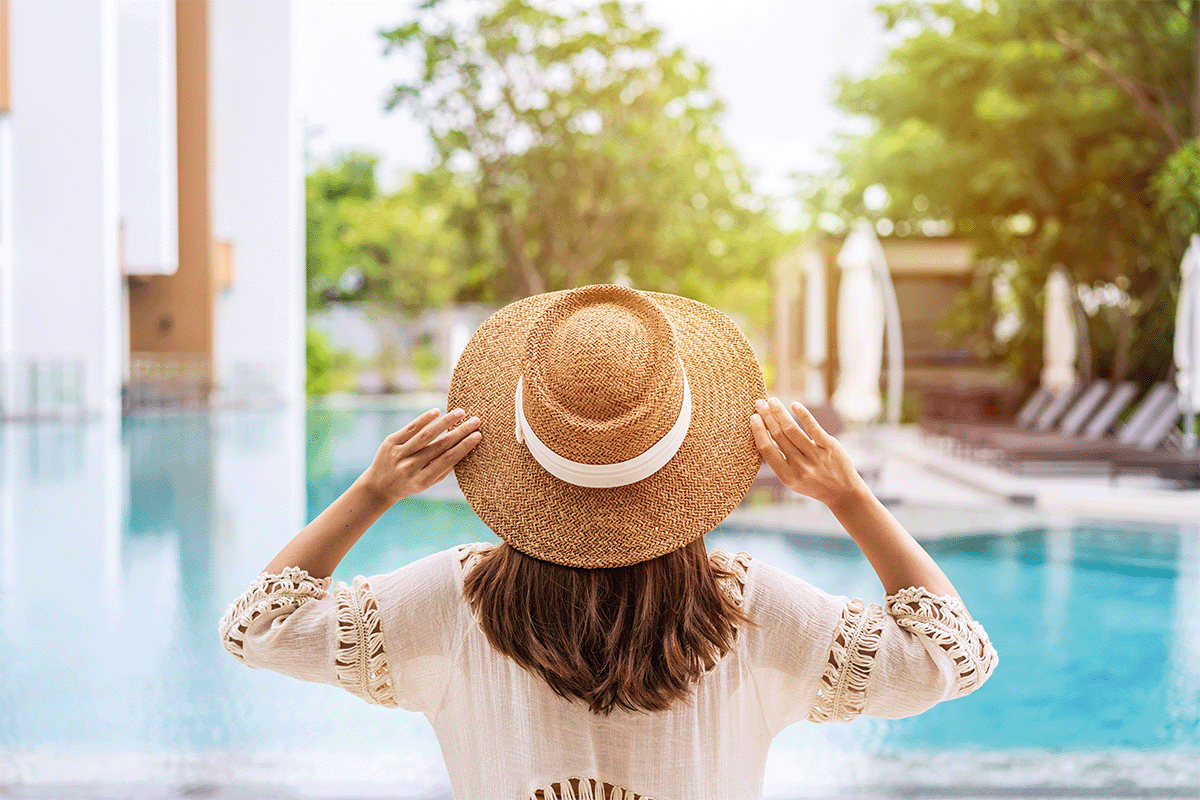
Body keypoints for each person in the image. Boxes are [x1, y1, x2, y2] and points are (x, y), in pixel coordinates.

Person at [219, 285, 997, 800]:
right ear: (692, 454)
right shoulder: (746, 613)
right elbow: (950, 655)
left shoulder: (452, 605)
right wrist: (850, 498)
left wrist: (373, 492)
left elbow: (256, 628)